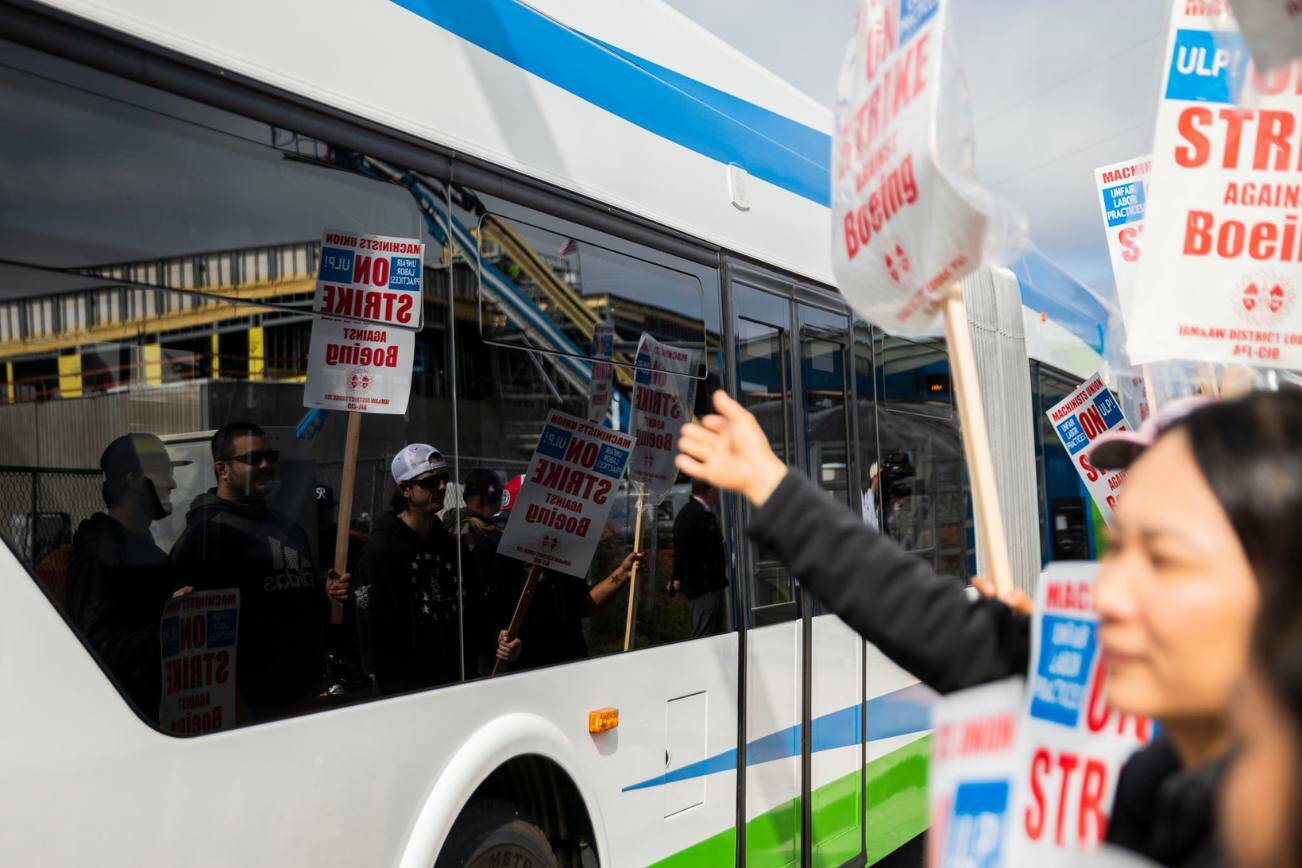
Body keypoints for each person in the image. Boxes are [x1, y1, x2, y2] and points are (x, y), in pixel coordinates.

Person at [676, 387, 1302, 868]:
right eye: (1116, 550)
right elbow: (930, 618)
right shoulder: (1153, 788)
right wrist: (768, 484)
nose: (1106, 594)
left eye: (1163, 558)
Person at [171, 421, 348, 721]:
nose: (267, 465)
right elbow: (197, 637)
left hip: (304, 696)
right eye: (254, 458)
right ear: (222, 469)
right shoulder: (205, 536)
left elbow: (290, 598)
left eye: (270, 456)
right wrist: (234, 702)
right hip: (252, 710)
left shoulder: (288, 527)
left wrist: (324, 592)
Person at [354, 445, 517, 693]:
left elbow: (475, 608)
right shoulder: (380, 551)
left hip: (458, 682)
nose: (441, 487)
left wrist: (498, 638)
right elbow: (374, 633)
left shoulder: (453, 546)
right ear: (405, 489)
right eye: (430, 482)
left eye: (444, 479)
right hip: (407, 690)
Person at [66, 433, 188, 718]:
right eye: (163, 474)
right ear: (133, 480)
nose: (172, 484)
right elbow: (96, 653)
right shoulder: (99, 556)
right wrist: (169, 627)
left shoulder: (151, 554)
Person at [480, 475, 646, 672]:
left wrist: (622, 573)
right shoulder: (492, 553)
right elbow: (483, 618)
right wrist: (500, 641)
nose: (512, 530)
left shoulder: (562, 552)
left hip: (570, 665)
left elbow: (583, 604)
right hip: (523, 674)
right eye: (509, 523)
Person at [671, 480, 729, 638]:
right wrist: (678, 578)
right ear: (711, 490)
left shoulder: (699, 512)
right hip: (703, 588)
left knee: (713, 633)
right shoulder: (694, 514)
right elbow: (684, 551)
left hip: (708, 586)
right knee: (705, 636)